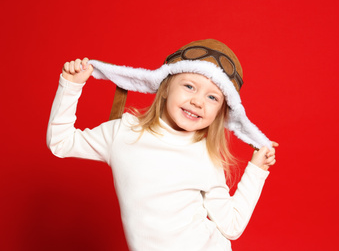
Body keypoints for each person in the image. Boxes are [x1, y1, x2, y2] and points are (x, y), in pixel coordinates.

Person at [47, 39, 278, 251]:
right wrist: (70, 86)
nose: (198, 101)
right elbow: (61, 141)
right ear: (165, 87)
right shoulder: (123, 133)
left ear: (219, 112)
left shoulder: (207, 157)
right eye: (189, 86)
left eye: (212, 98)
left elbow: (232, 226)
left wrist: (257, 170)